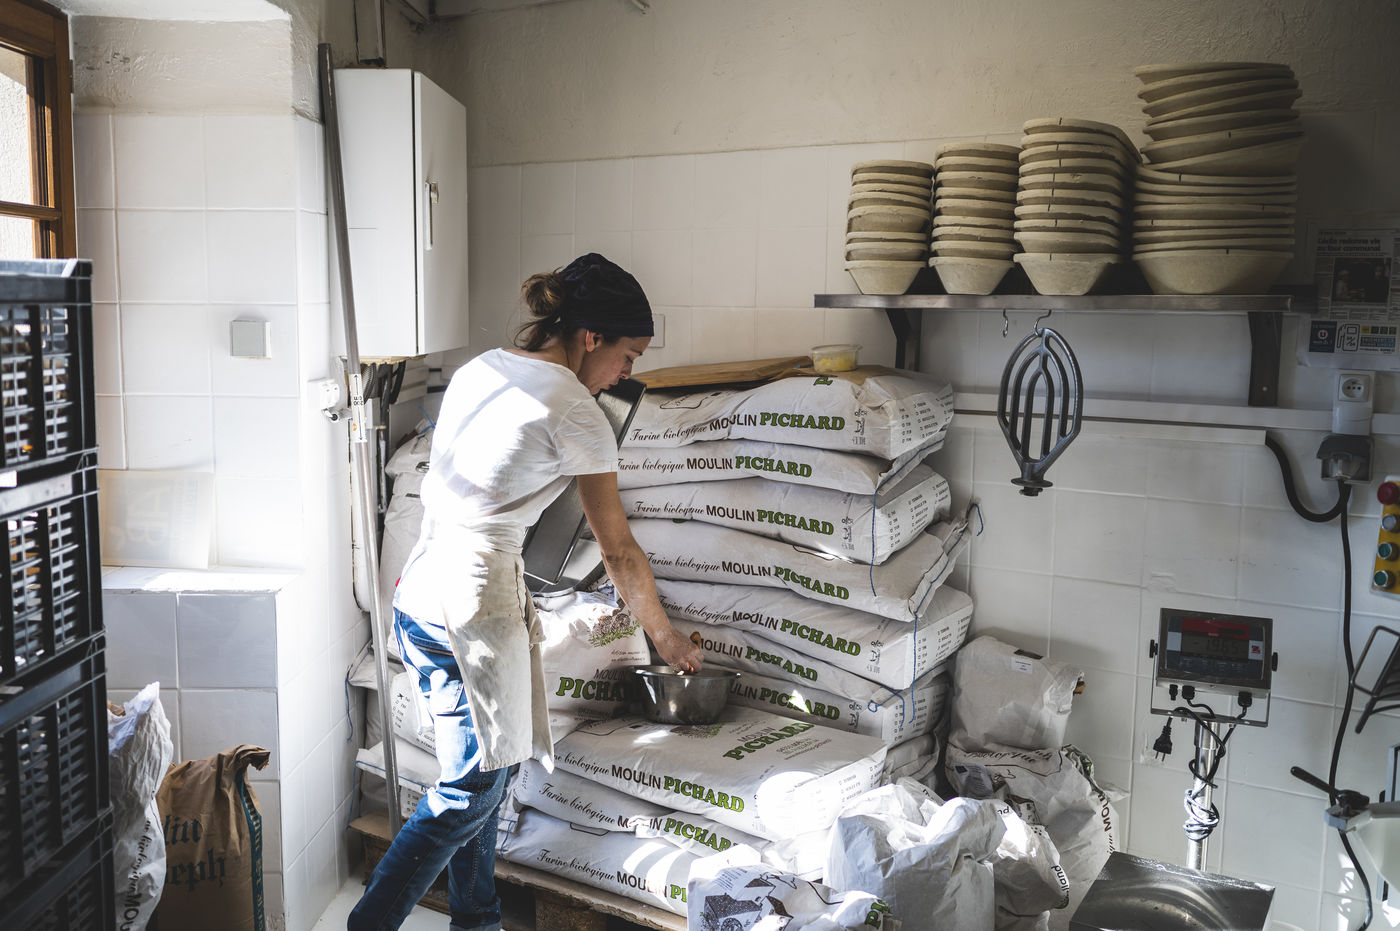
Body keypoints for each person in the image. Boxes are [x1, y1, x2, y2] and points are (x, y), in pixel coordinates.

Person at [348, 253, 704, 931]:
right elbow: (618, 550)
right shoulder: (577, 411)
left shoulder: (482, 368)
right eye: (628, 356)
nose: (625, 373)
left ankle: (477, 920)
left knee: (491, 767)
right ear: (591, 337)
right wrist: (667, 639)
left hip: (419, 593)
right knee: (471, 789)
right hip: (474, 607)